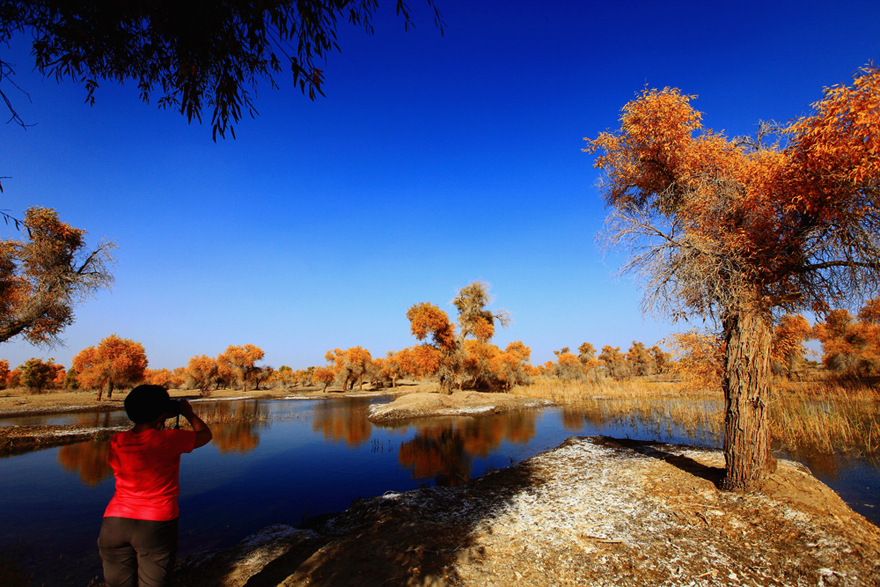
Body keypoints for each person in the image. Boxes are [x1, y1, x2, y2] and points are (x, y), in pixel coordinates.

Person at [98, 385, 213, 587]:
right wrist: (188, 414)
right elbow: (205, 435)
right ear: (161, 412)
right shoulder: (169, 439)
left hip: (113, 523)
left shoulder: (117, 441)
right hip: (155, 524)